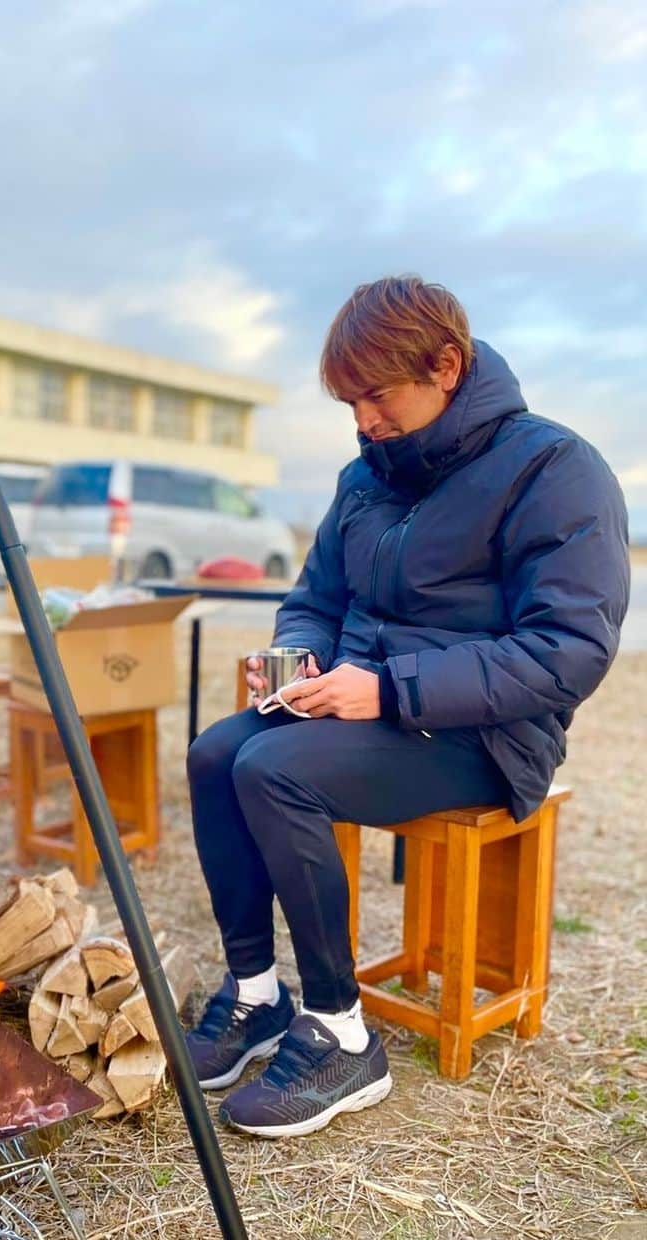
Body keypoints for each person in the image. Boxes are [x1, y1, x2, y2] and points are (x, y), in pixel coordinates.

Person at [184, 276, 630, 1139]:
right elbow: (316, 592)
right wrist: (299, 655)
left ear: (448, 366)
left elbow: (567, 652)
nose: (363, 420)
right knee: (215, 752)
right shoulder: (366, 476)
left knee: (273, 771)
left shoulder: (555, 469)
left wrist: (393, 687)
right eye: (351, 401)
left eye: (377, 395)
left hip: (485, 735)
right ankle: (255, 996)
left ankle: (341, 1034)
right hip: (365, 708)